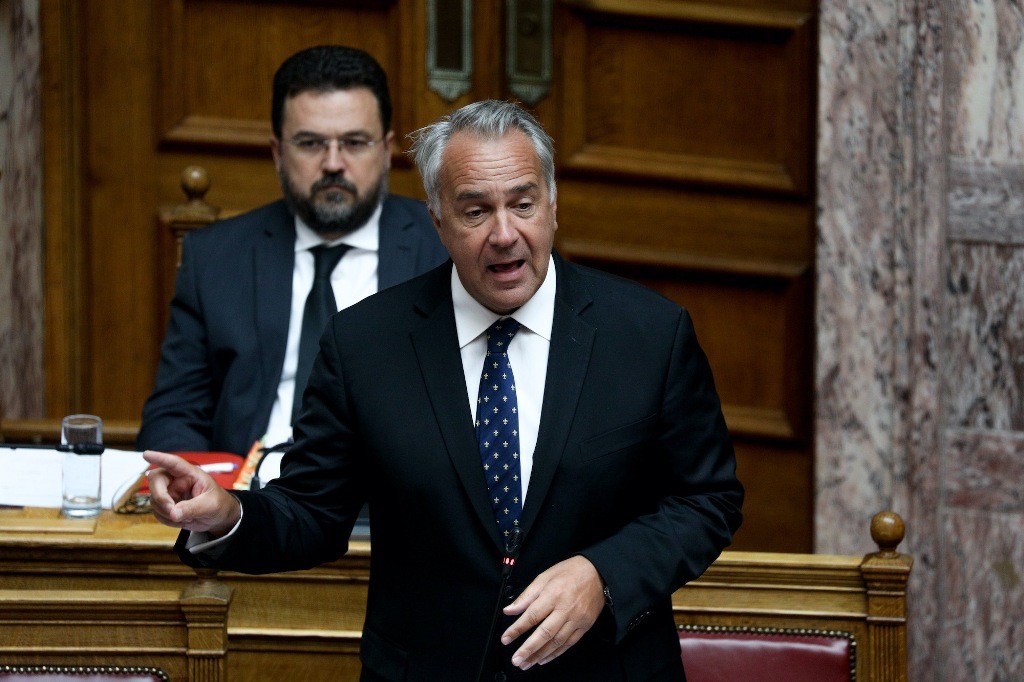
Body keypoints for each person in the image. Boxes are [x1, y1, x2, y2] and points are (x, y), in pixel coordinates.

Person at [144, 100, 743, 681]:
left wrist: (603, 575)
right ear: (437, 220)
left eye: (524, 205)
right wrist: (228, 514)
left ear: (553, 205)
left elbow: (707, 500)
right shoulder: (365, 344)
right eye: (475, 211)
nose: (505, 234)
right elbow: (312, 511)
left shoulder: (649, 334)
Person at [137, 45, 448, 458]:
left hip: (389, 492)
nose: (333, 163)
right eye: (311, 143)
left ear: (386, 150)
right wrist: (188, 478)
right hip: (248, 488)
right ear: (278, 152)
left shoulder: (443, 249)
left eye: (355, 142)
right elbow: (176, 414)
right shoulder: (215, 258)